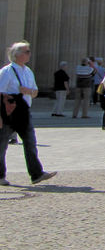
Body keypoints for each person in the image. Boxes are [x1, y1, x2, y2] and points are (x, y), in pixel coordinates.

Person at [0, 42, 56, 187]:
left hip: (24, 111)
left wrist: (28, 91)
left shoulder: (28, 71)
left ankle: (36, 173)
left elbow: (35, 92)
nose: (29, 54)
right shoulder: (7, 71)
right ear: (17, 54)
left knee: (30, 142)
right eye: (27, 51)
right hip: (9, 111)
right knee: (2, 145)